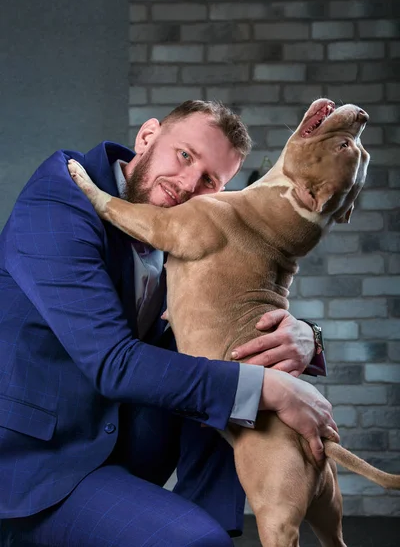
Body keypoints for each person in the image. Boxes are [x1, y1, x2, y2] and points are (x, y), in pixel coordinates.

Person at [0, 100, 336, 546]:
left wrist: (307, 337)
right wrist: (270, 389)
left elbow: (241, 308)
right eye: (184, 155)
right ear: (147, 136)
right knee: (245, 399)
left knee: (237, 377)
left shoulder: (186, 223)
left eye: (209, 182)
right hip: (37, 466)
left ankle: (205, 527)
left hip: (114, 436)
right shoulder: (61, 197)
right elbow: (113, 363)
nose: (186, 185)